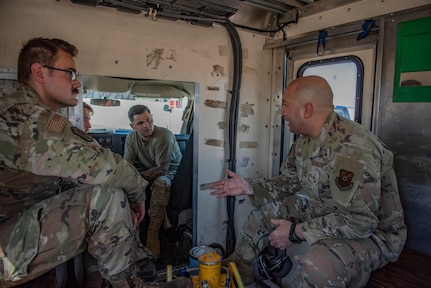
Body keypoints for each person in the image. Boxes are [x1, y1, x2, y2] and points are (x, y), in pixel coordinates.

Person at [0, 37, 192, 288]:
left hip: (13, 224)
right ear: (39, 72)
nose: (77, 82)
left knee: (117, 189)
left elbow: (148, 169)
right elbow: (105, 165)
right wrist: (137, 194)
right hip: (7, 240)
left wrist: (135, 185)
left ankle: (129, 263)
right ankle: (128, 283)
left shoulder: (23, 113)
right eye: (69, 73)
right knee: (106, 197)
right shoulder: (22, 117)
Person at [210, 75, 406, 287]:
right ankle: (239, 270)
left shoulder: (353, 148)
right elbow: (290, 181)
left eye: (285, 105)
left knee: (317, 265)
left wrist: (296, 232)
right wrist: (249, 187)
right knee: (265, 212)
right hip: (328, 212)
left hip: (374, 235)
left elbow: (361, 222)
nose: (282, 111)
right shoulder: (305, 142)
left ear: (307, 110)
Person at [124, 105, 183, 259]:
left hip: (172, 172)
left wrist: (135, 179)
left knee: (160, 184)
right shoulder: (131, 138)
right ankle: (133, 237)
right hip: (150, 171)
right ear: (132, 126)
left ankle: (152, 235)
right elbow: (127, 166)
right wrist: (128, 180)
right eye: (141, 123)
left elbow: (162, 170)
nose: (147, 126)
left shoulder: (164, 136)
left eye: (149, 120)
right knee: (125, 186)